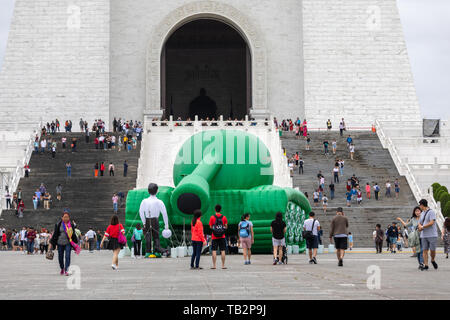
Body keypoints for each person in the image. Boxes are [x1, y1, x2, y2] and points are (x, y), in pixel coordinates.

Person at [139, 183, 169, 256]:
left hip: (147, 219)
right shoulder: (159, 202)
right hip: (155, 220)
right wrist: (166, 225)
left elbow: (141, 212)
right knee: (156, 236)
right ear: (157, 191)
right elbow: (164, 213)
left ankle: (148, 252)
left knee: (148, 236)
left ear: (148, 191)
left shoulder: (144, 201)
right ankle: (157, 251)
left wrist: (144, 222)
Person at [49, 210, 80, 275]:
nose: (66, 218)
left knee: (67, 256)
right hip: (60, 243)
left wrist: (76, 243)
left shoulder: (71, 224)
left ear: (69, 218)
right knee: (60, 256)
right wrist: (51, 243)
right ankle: (62, 268)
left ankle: (67, 270)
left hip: (68, 243)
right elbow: (55, 235)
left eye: (67, 217)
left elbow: (73, 234)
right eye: (64, 217)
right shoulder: (58, 224)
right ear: (62, 217)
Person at [418, 199, 438, 271]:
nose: (419, 206)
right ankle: (426, 265)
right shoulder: (422, 213)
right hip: (423, 235)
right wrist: (420, 226)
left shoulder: (431, 212)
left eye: (420, 205)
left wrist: (423, 227)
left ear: (422, 205)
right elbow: (420, 222)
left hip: (432, 234)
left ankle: (432, 260)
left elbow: (432, 222)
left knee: (432, 250)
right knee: (424, 250)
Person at [209, 204, 228, 269]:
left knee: (214, 250)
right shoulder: (224, 217)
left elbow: (210, 227)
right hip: (222, 236)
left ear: (215, 209)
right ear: (220, 210)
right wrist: (222, 230)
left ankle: (214, 266)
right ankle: (223, 265)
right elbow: (226, 226)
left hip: (214, 236)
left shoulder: (212, 217)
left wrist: (215, 230)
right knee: (223, 250)